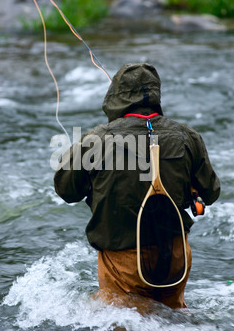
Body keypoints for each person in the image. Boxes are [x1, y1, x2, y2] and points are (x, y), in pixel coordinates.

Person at [54, 62, 220, 310]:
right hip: (176, 256)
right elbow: (211, 193)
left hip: (123, 261)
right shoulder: (188, 136)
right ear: (155, 95)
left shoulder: (96, 140)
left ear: (115, 95)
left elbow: (66, 190)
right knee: (171, 326)